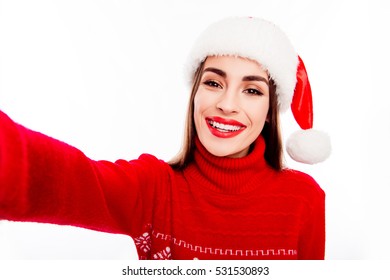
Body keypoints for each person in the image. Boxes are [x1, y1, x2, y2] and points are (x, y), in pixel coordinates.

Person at [0, 16, 331, 260]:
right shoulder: (152, 188)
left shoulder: (305, 200)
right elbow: (55, 178)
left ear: (270, 111)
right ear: (195, 93)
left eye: (251, 90)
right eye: (214, 83)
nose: (227, 105)